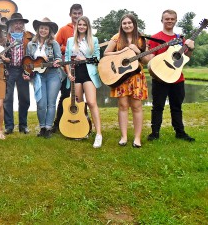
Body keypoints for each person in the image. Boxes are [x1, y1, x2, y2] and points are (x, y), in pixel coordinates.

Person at [103, 14, 153, 148]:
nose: (127, 25)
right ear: (121, 25)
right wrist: (122, 52)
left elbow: (146, 60)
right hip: (120, 76)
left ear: (134, 24)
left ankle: (137, 138)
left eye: (129, 23)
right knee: (123, 106)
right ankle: (123, 136)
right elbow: (106, 53)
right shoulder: (117, 37)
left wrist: (137, 51)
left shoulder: (141, 38)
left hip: (136, 76)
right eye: (124, 23)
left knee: (136, 106)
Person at [147, 9, 195, 142]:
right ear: (162, 20)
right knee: (157, 107)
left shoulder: (180, 39)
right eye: (167, 19)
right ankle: (154, 133)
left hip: (177, 78)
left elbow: (186, 58)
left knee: (177, 107)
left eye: (172, 19)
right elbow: (150, 59)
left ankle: (180, 132)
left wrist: (190, 48)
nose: (169, 21)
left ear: (175, 21)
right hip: (160, 78)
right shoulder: (155, 37)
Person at [64, 16, 103, 148]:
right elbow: (67, 58)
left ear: (87, 27)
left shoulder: (94, 40)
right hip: (75, 74)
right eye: (79, 24)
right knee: (80, 104)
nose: (81, 27)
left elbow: (97, 59)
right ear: (76, 26)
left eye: (84, 25)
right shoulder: (70, 41)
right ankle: (84, 129)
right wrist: (68, 73)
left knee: (91, 102)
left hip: (88, 74)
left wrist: (85, 59)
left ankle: (99, 134)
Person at [23, 17, 65, 138]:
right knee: (41, 103)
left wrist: (54, 61)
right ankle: (42, 127)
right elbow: (27, 62)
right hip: (38, 76)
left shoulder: (54, 43)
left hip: (53, 74)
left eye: (46, 28)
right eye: (41, 28)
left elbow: (58, 57)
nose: (43, 30)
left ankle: (48, 128)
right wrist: (27, 73)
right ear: (38, 29)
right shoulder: (31, 44)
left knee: (51, 103)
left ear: (49, 30)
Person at [53, 4, 84, 133]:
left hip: (82, 68)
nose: (77, 16)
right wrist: (68, 49)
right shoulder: (64, 29)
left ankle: (83, 122)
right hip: (67, 69)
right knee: (65, 96)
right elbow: (56, 46)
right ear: (70, 14)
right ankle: (57, 124)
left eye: (79, 13)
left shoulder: (85, 29)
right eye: (74, 13)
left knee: (80, 98)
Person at [3, 13, 34, 134]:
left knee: (24, 98)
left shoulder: (30, 36)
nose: (18, 25)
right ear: (11, 24)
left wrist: (29, 71)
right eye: (15, 23)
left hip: (23, 70)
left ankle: (23, 125)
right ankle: (9, 126)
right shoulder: (5, 37)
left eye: (20, 23)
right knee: (8, 98)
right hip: (9, 70)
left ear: (23, 25)